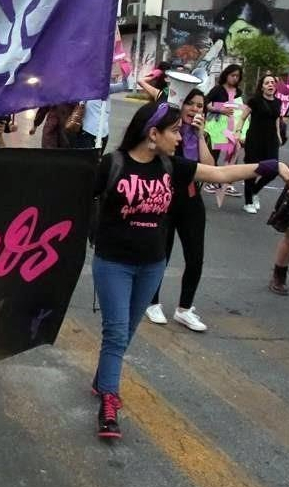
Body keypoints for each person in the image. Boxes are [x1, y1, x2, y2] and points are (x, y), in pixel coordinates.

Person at [91, 100, 289, 440]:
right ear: (152, 134)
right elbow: (70, 197)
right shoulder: (113, 165)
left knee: (126, 332)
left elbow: (220, 174)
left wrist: (272, 165)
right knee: (117, 332)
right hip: (113, 264)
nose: (180, 137)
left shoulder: (171, 166)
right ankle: (109, 400)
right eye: (173, 131)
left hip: (152, 264)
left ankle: (102, 380)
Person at [144, 89, 215, 331]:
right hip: (165, 200)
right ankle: (152, 302)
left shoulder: (200, 135)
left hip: (192, 201)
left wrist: (201, 136)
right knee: (160, 254)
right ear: (181, 105)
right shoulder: (169, 134)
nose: (195, 110)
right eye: (191, 104)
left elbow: (211, 169)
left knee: (195, 257)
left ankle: (185, 309)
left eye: (200, 106)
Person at [237, 74, 282, 213]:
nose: (270, 85)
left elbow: (276, 120)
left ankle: (255, 191)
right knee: (252, 170)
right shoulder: (254, 101)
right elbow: (243, 117)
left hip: (271, 140)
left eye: (272, 82)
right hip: (255, 139)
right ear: (262, 87)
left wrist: (279, 136)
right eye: (267, 83)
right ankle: (248, 202)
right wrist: (238, 132)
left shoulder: (278, 102)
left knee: (273, 170)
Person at [203, 64, 246, 196]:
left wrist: (242, 131)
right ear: (226, 75)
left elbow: (240, 110)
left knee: (233, 153)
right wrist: (220, 109)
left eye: (237, 76)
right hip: (216, 125)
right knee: (214, 153)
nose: (235, 78)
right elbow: (206, 103)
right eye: (232, 75)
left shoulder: (238, 92)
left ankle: (228, 184)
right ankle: (211, 181)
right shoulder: (218, 89)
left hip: (231, 126)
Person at [76, 78, 131, 152]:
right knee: (88, 160)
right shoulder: (83, 89)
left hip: (103, 133)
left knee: (97, 160)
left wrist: (125, 72)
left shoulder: (106, 89)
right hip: (88, 132)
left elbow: (124, 85)